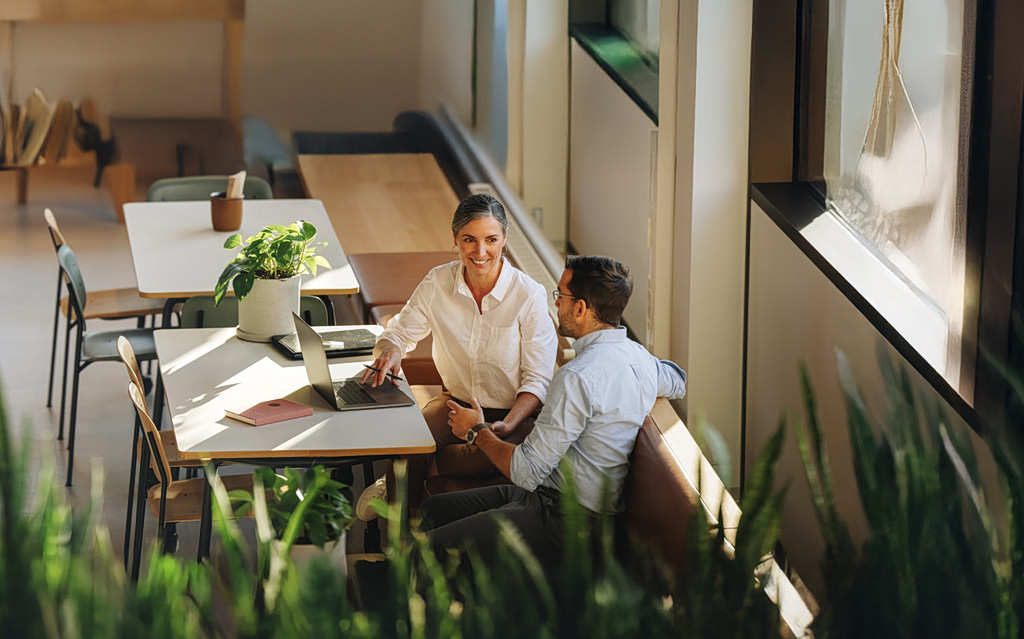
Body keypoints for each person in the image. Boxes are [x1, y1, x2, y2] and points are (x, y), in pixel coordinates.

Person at [417, 254, 686, 565]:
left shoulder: (576, 377)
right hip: (553, 498)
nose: (556, 304)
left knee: (429, 551)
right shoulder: (638, 357)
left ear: (581, 308)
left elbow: (525, 471)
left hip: (566, 521)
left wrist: (475, 430)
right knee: (432, 510)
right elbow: (677, 380)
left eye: (561, 296)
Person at [356, 193, 558, 515]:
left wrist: (503, 426)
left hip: (514, 415)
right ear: (455, 239)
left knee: (471, 454)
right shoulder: (438, 282)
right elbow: (398, 333)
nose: (480, 252)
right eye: (469, 239)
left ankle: (413, 476)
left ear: (504, 239)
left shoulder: (529, 295)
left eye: (491, 239)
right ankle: (402, 545)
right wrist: (391, 352)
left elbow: (537, 381)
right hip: (455, 403)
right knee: (407, 445)